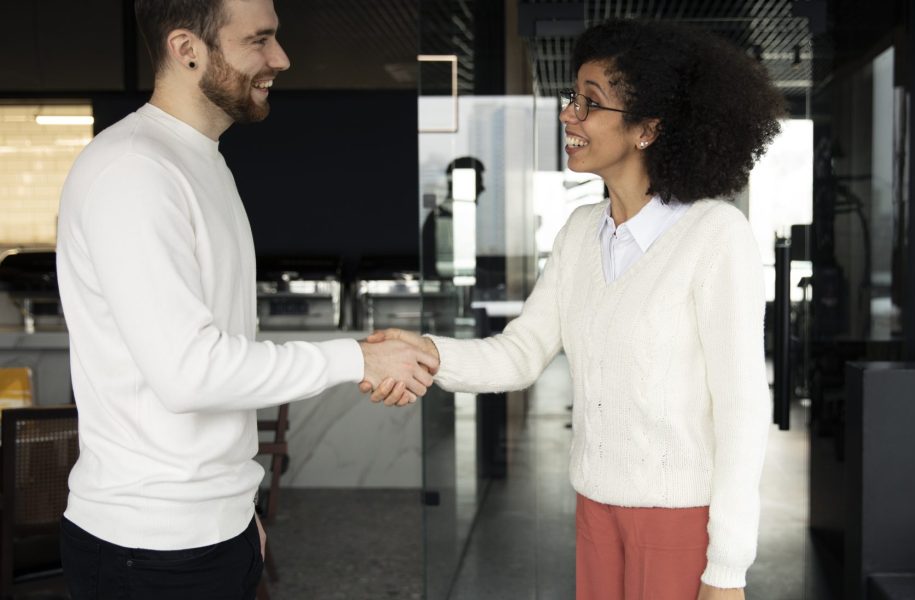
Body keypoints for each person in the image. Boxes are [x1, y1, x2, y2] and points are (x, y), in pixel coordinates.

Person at [365, 18, 785, 600]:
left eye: (591, 103)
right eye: (572, 98)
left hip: (676, 518)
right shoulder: (581, 231)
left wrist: (728, 567)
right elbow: (520, 354)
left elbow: (742, 406)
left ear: (648, 128)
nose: (569, 115)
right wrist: (428, 353)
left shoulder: (714, 234)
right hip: (594, 507)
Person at [54, 1, 437, 597]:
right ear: (188, 50)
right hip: (149, 551)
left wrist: (237, 511)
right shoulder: (133, 171)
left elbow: (220, 362)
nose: (280, 59)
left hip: (210, 532)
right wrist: (357, 357)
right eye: (259, 41)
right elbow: (190, 374)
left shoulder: (199, 161)